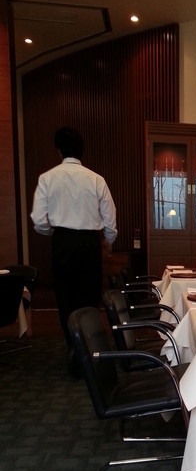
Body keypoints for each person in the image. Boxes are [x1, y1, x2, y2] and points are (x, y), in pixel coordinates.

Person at [31, 126, 118, 374]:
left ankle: (74, 350)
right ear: (82, 151)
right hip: (89, 244)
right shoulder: (96, 179)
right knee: (89, 301)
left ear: (58, 151)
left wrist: (55, 233)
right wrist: (108, 242)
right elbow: (110, 219)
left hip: (62, 242)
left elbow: (38, 221)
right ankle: (88, 353)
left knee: (66, 301)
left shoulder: (47, 178)